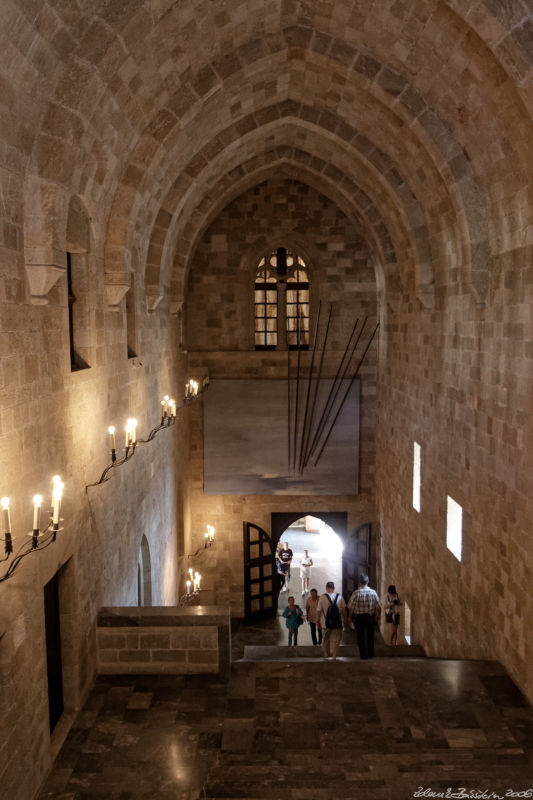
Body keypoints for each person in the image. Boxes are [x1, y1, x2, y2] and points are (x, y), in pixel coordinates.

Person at [347, 574, 381, 659]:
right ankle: (371, 654)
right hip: (370, 617)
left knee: (360, 637)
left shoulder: (356, 593)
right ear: (368, 582)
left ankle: (363, 655)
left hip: (359, 617)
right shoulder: (373, 592)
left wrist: (349, 617)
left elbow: (351, 607)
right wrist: (378, 615)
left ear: (359, 582)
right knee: (370, 636)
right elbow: (378, 606)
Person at [317, 581, 346, 660]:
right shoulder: (339, 597)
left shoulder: (322, 597)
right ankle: (334, 656)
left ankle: (326, 654)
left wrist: (318, 621)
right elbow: (344, 610)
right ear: (334, 588)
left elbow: (319, 610)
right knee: (336, 640)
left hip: (325, 623)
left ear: (326, 588)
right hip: (337, 623)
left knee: (325, 639)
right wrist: (344, 621)